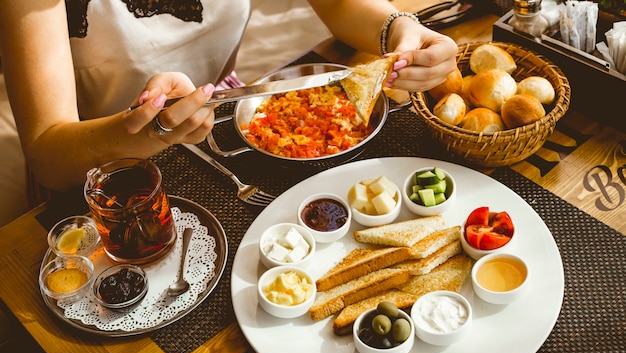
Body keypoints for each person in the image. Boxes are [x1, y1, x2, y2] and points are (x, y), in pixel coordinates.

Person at [0, 0, 457, 225]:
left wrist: (401, 30)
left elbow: (339, 4)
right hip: (97, 168)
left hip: (220, 113)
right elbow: (48, 152)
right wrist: (151, 131)